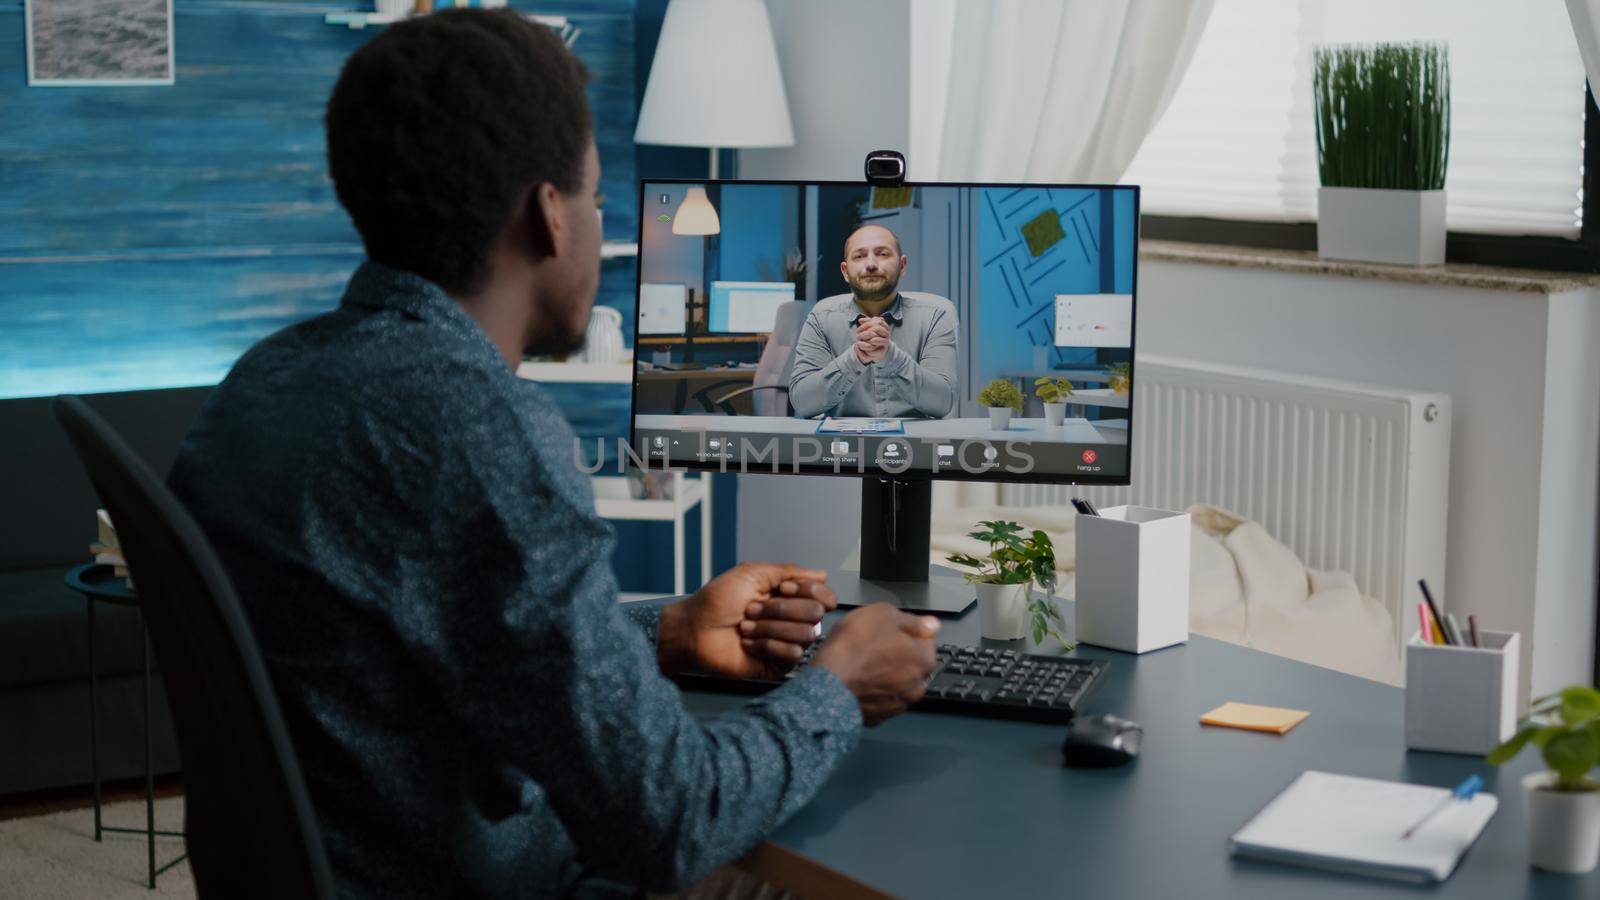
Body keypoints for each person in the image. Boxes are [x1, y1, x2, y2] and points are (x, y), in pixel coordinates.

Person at [166, 10, 938, 897]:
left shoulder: (263, 383)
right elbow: (670, 820)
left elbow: (438, 649)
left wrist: (677, 630)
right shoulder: (478, 430)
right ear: (547, 216)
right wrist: (839, 686)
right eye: (598, 197)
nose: (599, 216)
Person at [787, 223, 958, 419]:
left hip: (915, 446)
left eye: (882, 254)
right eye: (859, 256)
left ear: (902, 266)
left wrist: (891, 357)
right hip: (842, 445)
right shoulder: (821, 318)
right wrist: (855, 358)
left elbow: (943, 402)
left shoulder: (935, 317)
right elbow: (802, 403)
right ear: (845, 271)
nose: (870, 264)